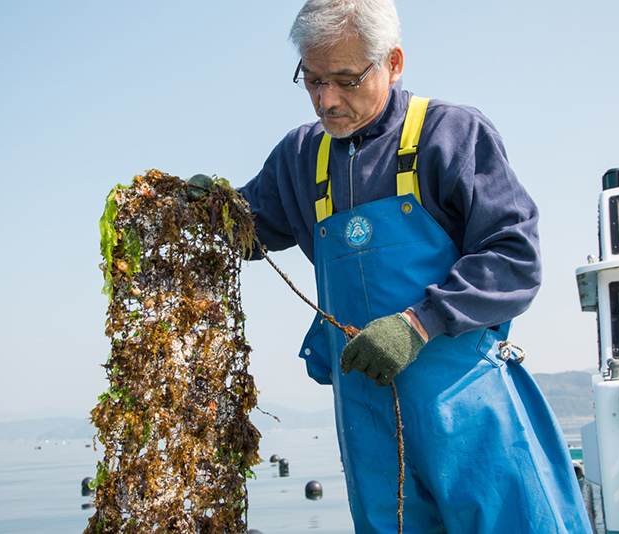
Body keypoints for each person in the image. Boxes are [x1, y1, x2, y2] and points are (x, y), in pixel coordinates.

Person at [203, 0, 593, 532]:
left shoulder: (450, 135)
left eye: (344, 80)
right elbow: (245, 230)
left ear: (393, 62)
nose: (326, 100)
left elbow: (514, 255)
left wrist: (419, 323)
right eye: (312, 80)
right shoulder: (300, 158)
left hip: (467, 411)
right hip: (366, 420)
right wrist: (195, 211)